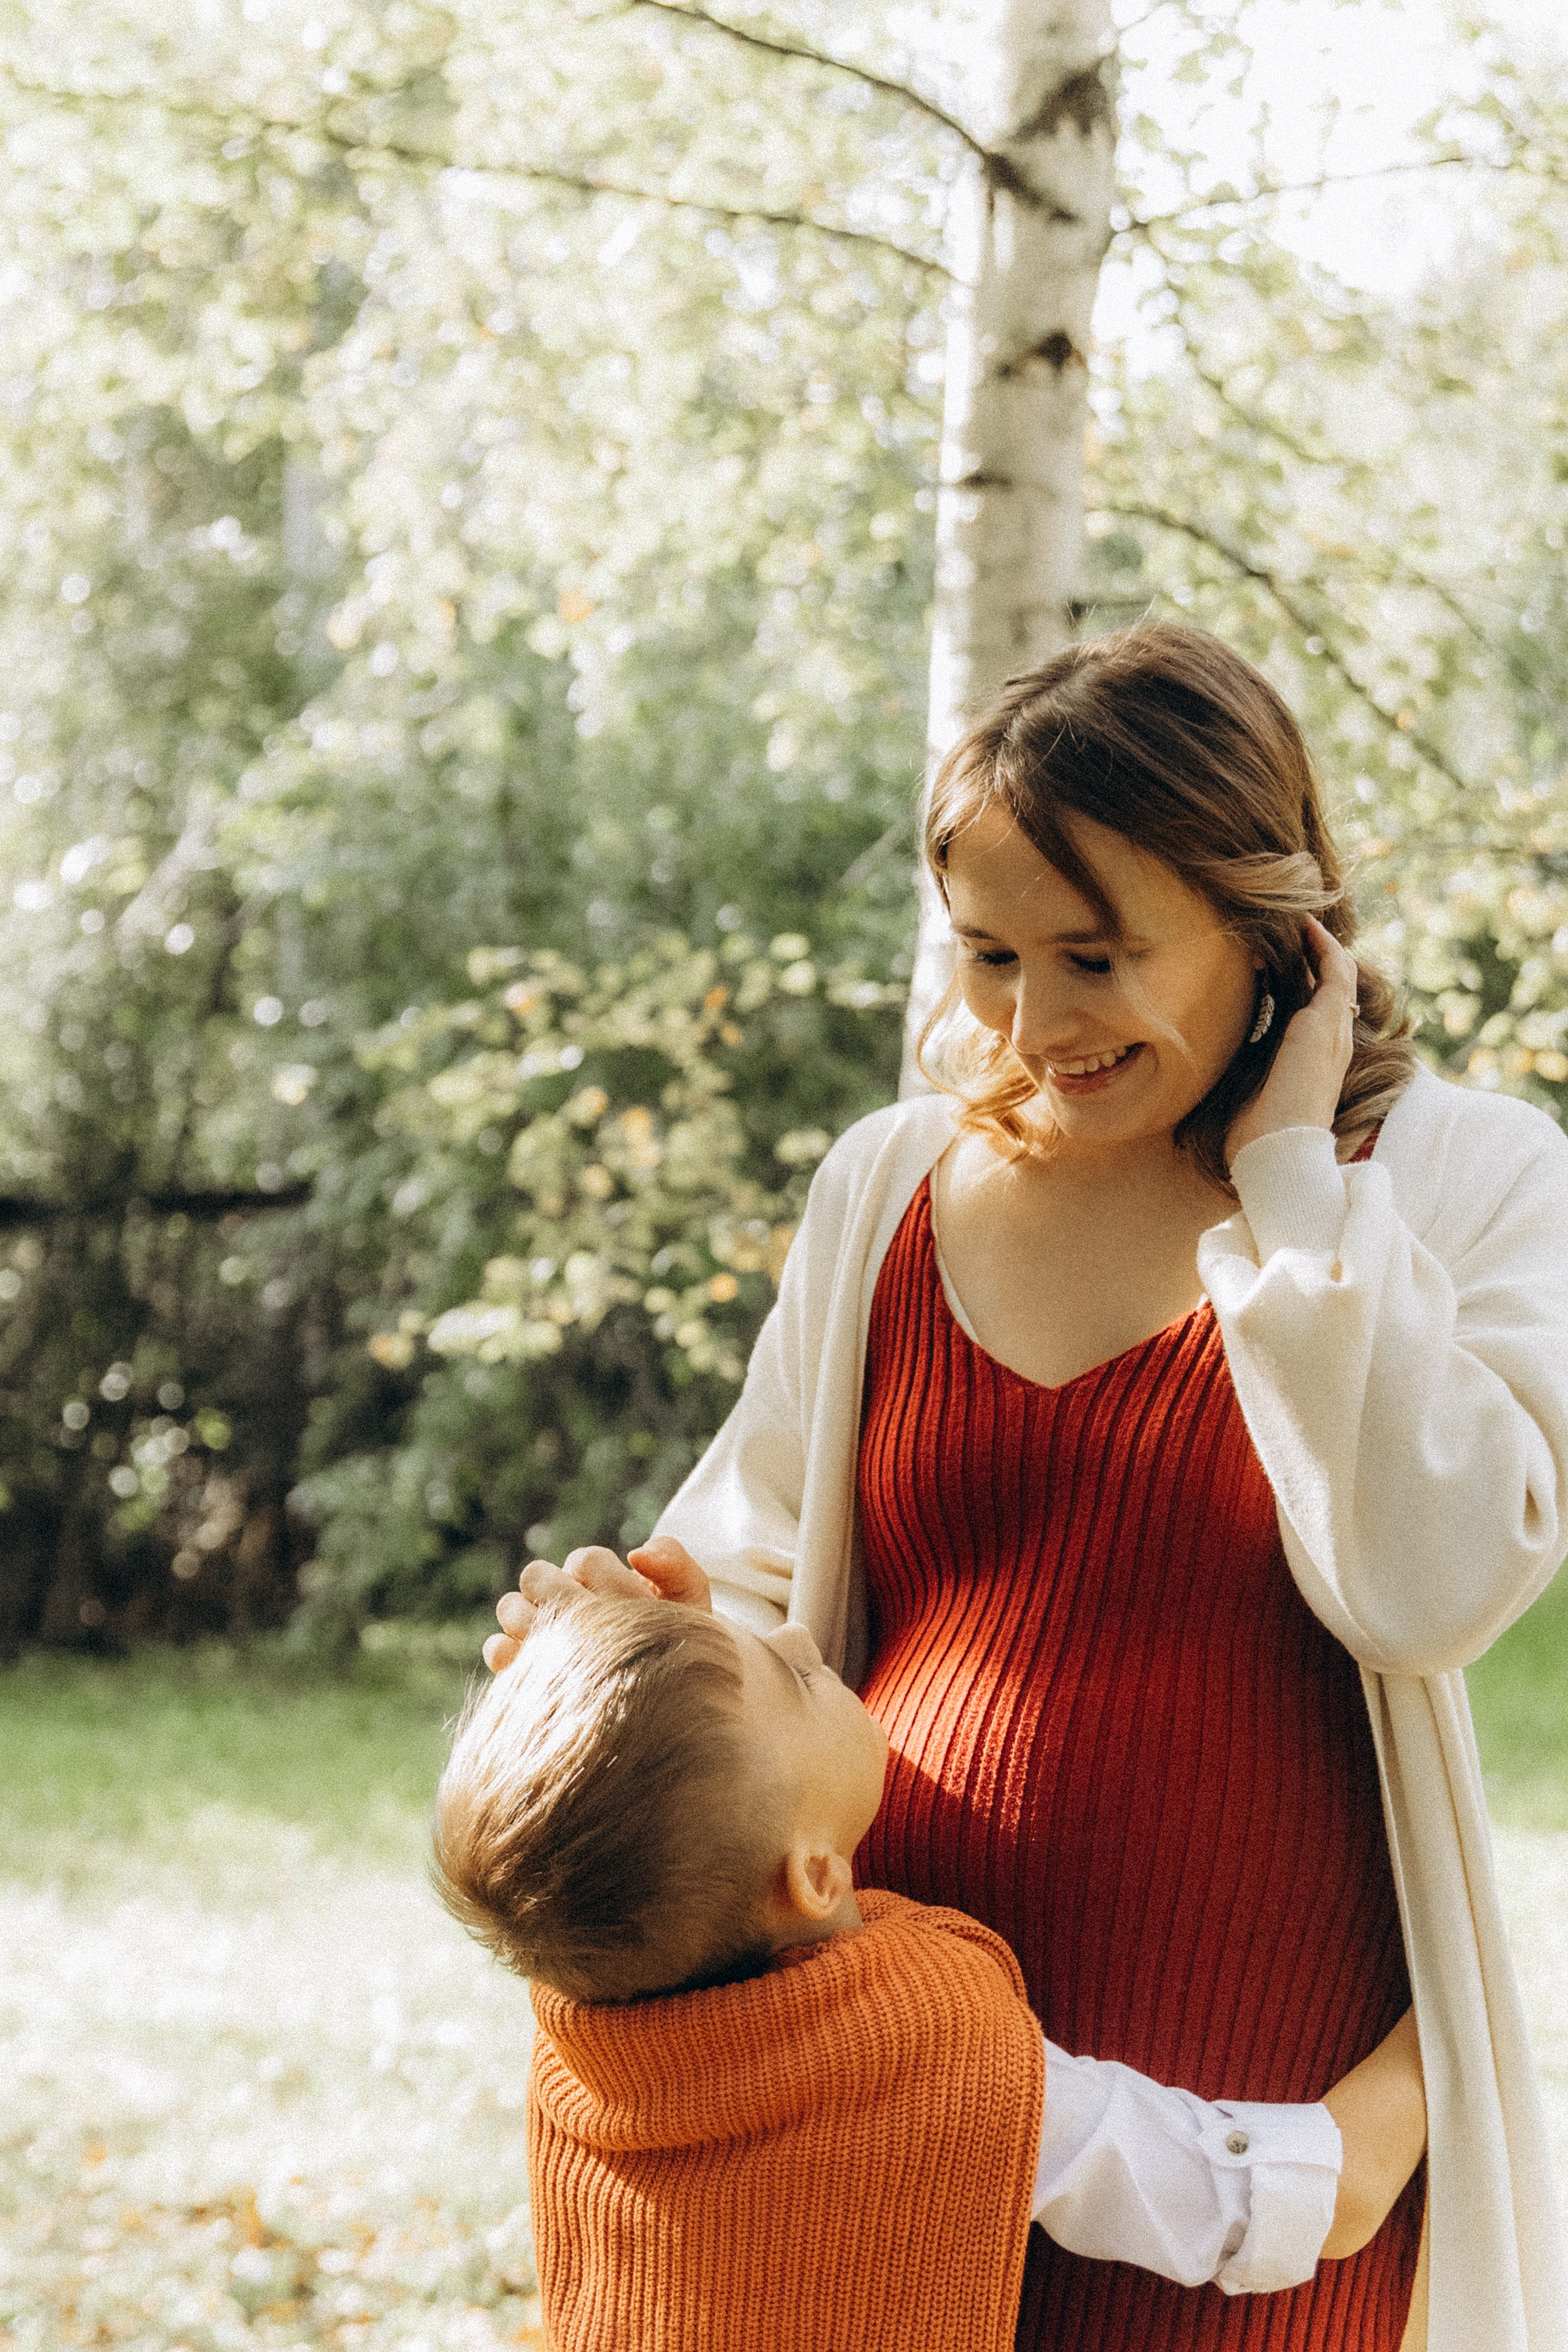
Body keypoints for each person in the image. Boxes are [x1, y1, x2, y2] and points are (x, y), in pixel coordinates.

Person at [487, 624, 1568, 2351]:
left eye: (1095, 955)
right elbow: (747, 1564)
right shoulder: (894, 1186)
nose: (1033, 1021)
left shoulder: (1460, 1182)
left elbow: (1434, 1588)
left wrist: (1295, 1185)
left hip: (1260, 2162)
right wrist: (628, 1613)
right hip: (887, 2098)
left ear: (1271, 924)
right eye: (989, 953)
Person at [445, 1545, 1429, 2352]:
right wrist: (1445, 2039)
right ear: (818, 1879)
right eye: (791, 1674)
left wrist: (690, 1693)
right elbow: (1288, 2201)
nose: (797, 1629)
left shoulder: (591, 2061)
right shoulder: (921, 2058)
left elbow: (696, 1840)